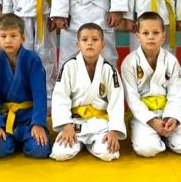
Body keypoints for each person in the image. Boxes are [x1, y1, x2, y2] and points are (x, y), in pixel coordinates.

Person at [120, 11, 181, 157]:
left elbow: (177, 94)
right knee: (147, 150)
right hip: (144, 116)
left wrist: (173, 117)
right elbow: (132, 99)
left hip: (167, 111)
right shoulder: (129, 62)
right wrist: (152, 121)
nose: (151, 37)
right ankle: (158, 136)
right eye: (145, 33)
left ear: (163, 36)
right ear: (138, 36)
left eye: (156, 32)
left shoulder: (171, 61)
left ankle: (167, 134)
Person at [49, 22, 126, 162]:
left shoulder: (109, 69)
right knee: (60, 153)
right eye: (84, 40)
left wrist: (114, 131)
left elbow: (116, 101)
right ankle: (81, 143)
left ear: (103, 45)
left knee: (109, 154)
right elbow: (60, 97)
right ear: (78, 44)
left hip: (100, 124)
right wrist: (66, 126)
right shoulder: (69, 67)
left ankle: (92, 144)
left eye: (95, 40)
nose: (89, 43)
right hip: (75, 123)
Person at [0, 13, 51, 160]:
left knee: (40, 149)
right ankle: (13, 141)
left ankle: (24, 138)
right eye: (3, 36)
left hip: (29, 117)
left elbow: (40, 94)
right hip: (5, 118)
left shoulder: (32, 60)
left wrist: (38, 123)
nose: (8, 40)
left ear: (23, 38)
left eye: (13, 36)